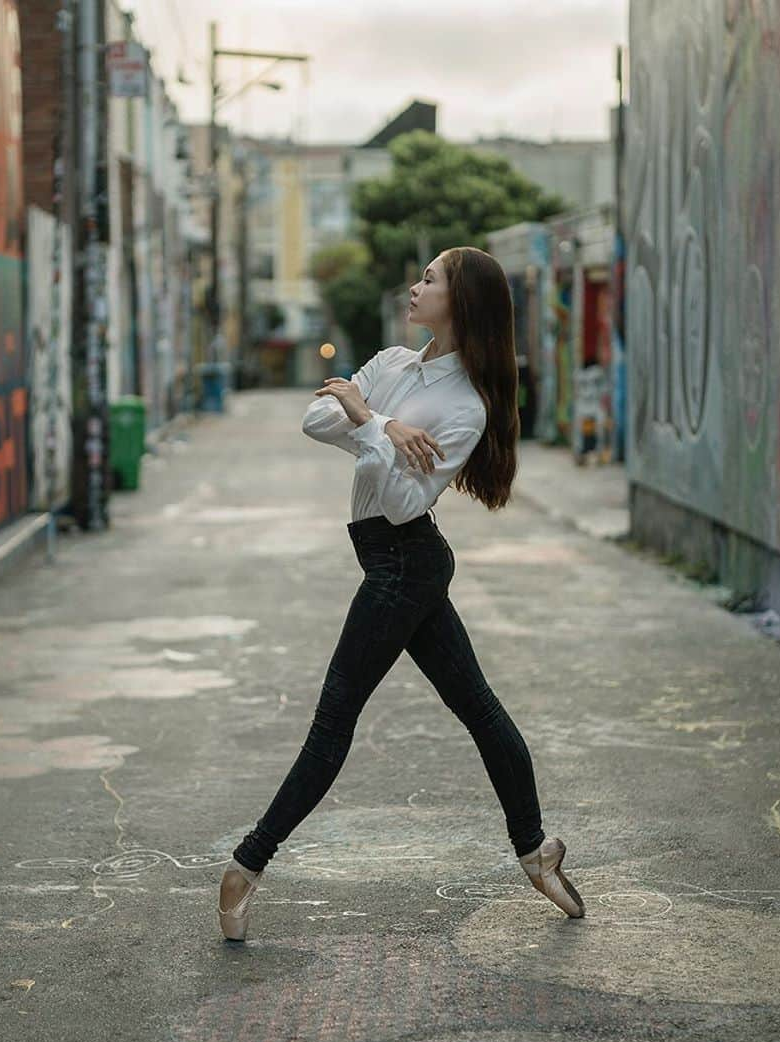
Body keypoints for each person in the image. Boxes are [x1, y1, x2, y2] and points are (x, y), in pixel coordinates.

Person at [218, 247, 585, 941]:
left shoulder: (464, 408)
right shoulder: (391, 366)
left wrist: (363, 421)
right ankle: (538, 852)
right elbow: (314, 419)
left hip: (402, 566)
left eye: (430, 280)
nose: (415, 288)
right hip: (394, 564)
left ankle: (246, 866)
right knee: (478, 708)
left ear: (462, 302)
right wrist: (380, 423)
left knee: (336, 720)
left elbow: (399, 505)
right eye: (419, 277)